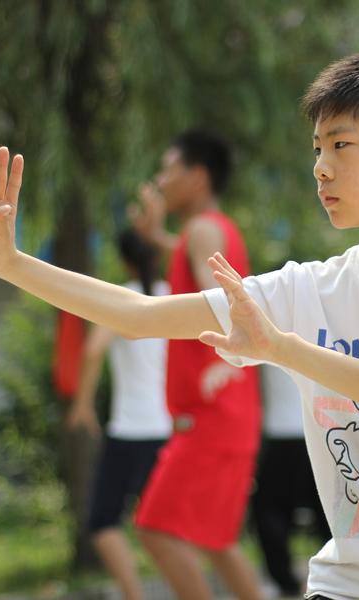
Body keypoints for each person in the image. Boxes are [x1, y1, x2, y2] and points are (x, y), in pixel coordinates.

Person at [0, 48, 359, 600]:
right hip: (352, 589)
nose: (321, 168)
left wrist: (282, 348)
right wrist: (9, 264)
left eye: (342, 145)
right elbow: (137, 316)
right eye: (317, 148)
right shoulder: (304, 289)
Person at [126, 130, 263, 600]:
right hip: (228, 415)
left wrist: (224, 358)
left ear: (197, 176)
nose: (161, 181)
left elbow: (220, 296)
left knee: (155, 529)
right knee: (217, 541)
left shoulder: (203, 231)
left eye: (169, 169)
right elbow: (194, 261)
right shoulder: (209, 230)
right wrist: (157, 236)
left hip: (212, 415)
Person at [67, 229, 172, 600]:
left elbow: (93, 351)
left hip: (129, 430)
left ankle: (134, 595)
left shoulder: (120, 300)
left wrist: (82, 404)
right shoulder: (174, 296)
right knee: (163, 529)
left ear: (124, 260)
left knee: (102, 521)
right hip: (167, 431)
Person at [252, 364, 331, 598]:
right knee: (327, 510)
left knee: (269, 511)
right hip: (322, 428)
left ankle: (286, 583)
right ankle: (336, 580)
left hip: (285, 432)